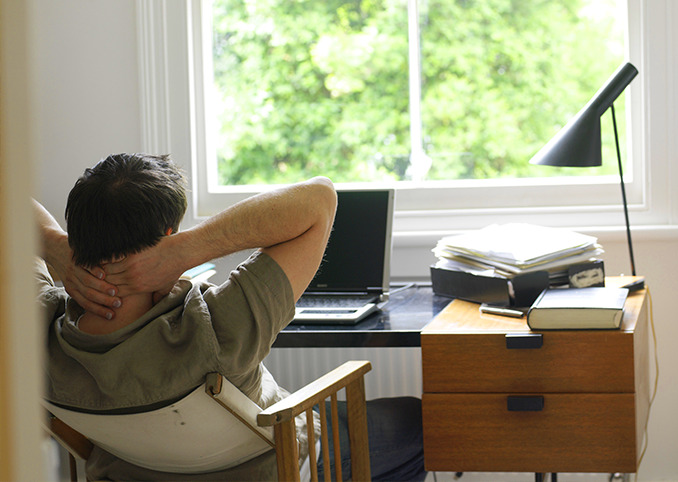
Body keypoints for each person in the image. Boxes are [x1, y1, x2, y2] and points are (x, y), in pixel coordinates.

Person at [37, 153, 425, 481]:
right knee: (424, 423)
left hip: (132, 469)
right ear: (169, 233)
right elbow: (319, 198)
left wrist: (56, 247)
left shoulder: (33, 333)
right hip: (278, 466)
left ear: (80, 237)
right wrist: (184, 251)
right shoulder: (217, 327)